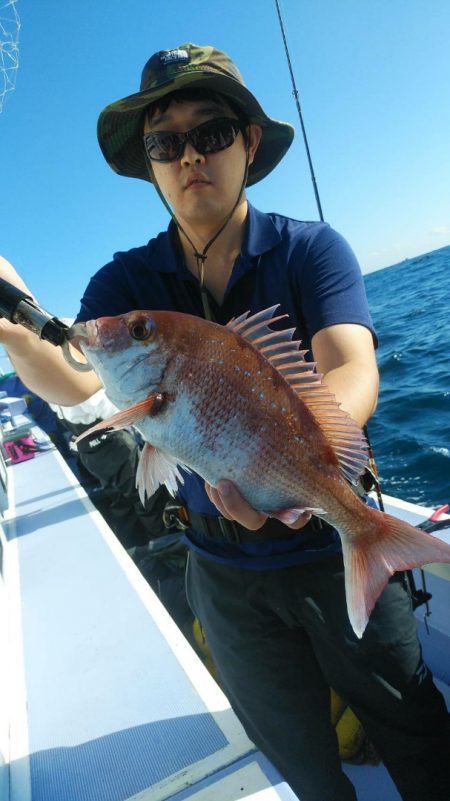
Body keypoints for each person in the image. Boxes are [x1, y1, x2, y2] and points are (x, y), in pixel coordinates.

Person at [0, 43, 449, 801]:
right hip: (222, 570)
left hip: (322, 536)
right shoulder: (125, 284)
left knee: (416, 728)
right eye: (164, 143)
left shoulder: (311, 249)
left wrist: (291, 466)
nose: (188, 157)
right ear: (149, 164)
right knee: (298, 758)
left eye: (209, 132)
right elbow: (82, 383)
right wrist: (12, 329)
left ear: (247, 142)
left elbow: (352, 369)